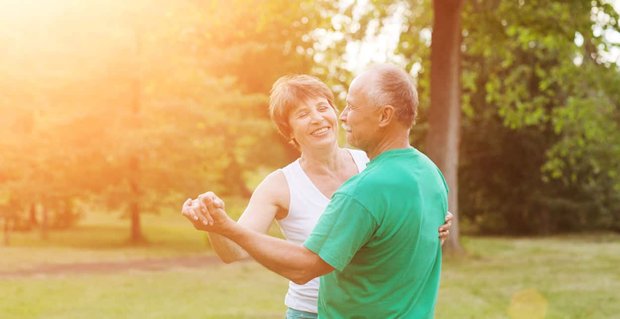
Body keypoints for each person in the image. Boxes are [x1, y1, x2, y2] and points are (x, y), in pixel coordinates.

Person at [183, 68, 451, 318]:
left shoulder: (371, 166)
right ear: (289, 131)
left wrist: (428, 221)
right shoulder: (279, 185)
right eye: (302, 114)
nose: (317, 118)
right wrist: (214, 224)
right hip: (311, 311)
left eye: (323, 107)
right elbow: (235, 252)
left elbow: (395, 219)